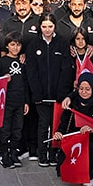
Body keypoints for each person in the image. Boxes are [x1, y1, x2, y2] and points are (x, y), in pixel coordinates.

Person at [24, 15, 68, 167]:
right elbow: (31, 71)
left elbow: (66, 69)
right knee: (43, 124)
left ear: (54, 26)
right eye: (44, 27)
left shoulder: (62, 43)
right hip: (41, 95)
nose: (47, 30)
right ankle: (42, 153)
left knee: (56, 124)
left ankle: (54, 153)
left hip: (57, 95)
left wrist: (62, 92)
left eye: (50, 26)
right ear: (40, 27)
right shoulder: (33, 44)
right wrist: (36, 93)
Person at [55, 71, 93, 186]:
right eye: (81, 88)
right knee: (61, 170)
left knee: (91, 146)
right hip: (74, 137)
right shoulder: (73, 102)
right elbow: (64, 123)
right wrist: (59, 132)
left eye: (87, 89)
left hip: (92, 138)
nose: (83, 92)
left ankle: (91, 174)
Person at [0, 34, 28, 168]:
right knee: (5, 128)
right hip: (6, 101)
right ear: (7, 46)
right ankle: (4, 154)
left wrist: (26, 102)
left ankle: (14, 153)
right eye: (12, 44)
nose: (15, 48)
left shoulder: (23, 62)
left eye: (18, 45)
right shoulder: (2, 61)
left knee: (17, 129)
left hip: (20, 101)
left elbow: (26, 82)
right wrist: (3, 79)